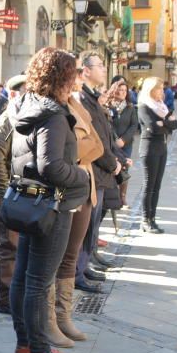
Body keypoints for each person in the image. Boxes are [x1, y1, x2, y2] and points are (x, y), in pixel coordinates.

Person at [9, 47, 89, 353]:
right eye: (74, 73)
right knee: (39, 282)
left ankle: (27, 342)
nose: (77, 79)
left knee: (24, 276)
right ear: (61, 77)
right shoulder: (54, 115)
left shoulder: (28, 106)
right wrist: (81, 175)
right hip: (52, 205)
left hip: (31, 202)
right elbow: (51, 165)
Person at [52, 77, 105, 346]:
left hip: (84, 186)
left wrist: (85, 148)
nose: (76, 80)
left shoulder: (76, 104)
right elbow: (73, 150)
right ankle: (50, 320)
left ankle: (64, 317)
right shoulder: (53, 109)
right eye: (70, 74)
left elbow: (97, 144)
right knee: (56, 257)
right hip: (64, 190)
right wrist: (84, 149)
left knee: (71, 255)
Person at [75, 52, 122, 293]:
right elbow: (92, 140)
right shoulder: (83, 99)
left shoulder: (92, 98)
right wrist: (111, 162)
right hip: (93, 169)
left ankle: (84, 266)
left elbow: (104, 135)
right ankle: (78, 270)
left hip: (100, 170)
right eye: (100, 66)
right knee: (85, 225)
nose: (104, 69)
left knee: (92, 225)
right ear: (85, 71)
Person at [0, 74, 25, 314]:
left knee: (18, 246)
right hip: (6, 194)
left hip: (18, 192)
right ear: (13, 94)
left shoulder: (23, 119)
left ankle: (14, 293)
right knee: (8, 245)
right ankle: (5, 298)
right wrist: (8, 196)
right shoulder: (4, 123)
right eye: (25, 92)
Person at [138, 76, 177, 233]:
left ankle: (152, 218)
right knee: (149, 185)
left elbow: (175, 124)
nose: (162, 91)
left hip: (162, 147)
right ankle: (145, 219)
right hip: (149, 148)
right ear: (151, 90)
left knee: (157, 186)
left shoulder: (161, 106)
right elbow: (152, 128)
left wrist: (164, 124)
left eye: (162, 88)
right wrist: (164, 125)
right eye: (159, 88)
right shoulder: (144, 106)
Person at [102, 80, 137, 206]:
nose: (122, 93)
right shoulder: (107, 105)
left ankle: (122, 196)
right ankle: (112, 195)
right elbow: (107, 125)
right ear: (114, 90)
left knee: (124, 168)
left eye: (124, 91)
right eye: (119, 90)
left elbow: (134, 125)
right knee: (112, 167)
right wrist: (115, 140)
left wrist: (123, 140)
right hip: (111, 142)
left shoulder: (130, 106)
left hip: (126, 144)